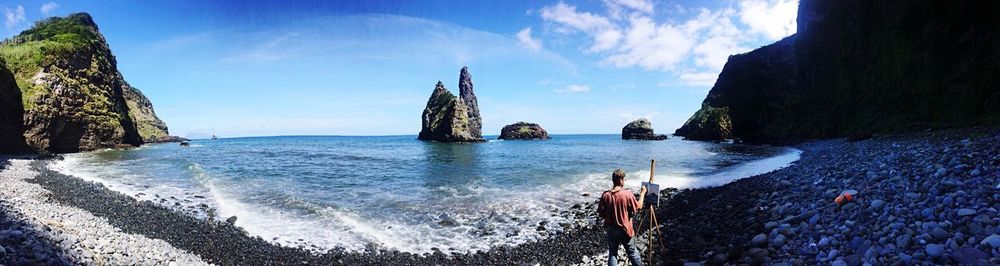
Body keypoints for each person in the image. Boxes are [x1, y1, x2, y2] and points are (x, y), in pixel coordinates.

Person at [597, 169, 646, 266]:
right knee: (632, 253)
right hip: (625, 229)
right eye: (623, 179)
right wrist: (643, 193)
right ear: (621, 180)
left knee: (613, 254)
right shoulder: (627, 194)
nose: (624, 181)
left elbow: (601, 214)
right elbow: (639, 206)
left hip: (611, 229)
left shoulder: (605, 195)